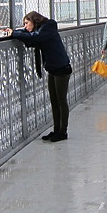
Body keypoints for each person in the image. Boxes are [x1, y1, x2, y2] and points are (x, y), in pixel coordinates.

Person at [5, 11, 72, 142]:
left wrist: (15, 33)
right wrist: (15, 32)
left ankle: (63, 131)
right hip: (53, 69)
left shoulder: (49, 26)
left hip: (62, 69)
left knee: (61, 101)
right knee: (54, 101)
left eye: (26, 23)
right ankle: (56, 129)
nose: (25, 26)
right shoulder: (40, 31)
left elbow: (35, 37)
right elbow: (31, 39)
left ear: (34, 20)